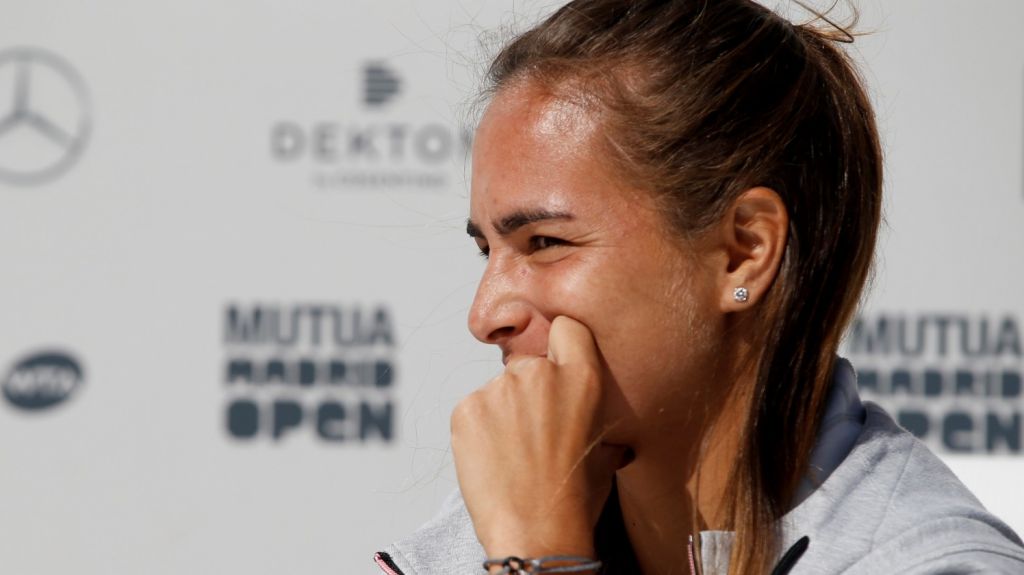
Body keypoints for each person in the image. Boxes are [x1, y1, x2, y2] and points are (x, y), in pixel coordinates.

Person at [374, 1, 1024, 573]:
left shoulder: (932, 562)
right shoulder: (486, 534)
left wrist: (541, 559)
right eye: (487, 249)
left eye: (544, 242)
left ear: (743, 253)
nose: (484, 314)